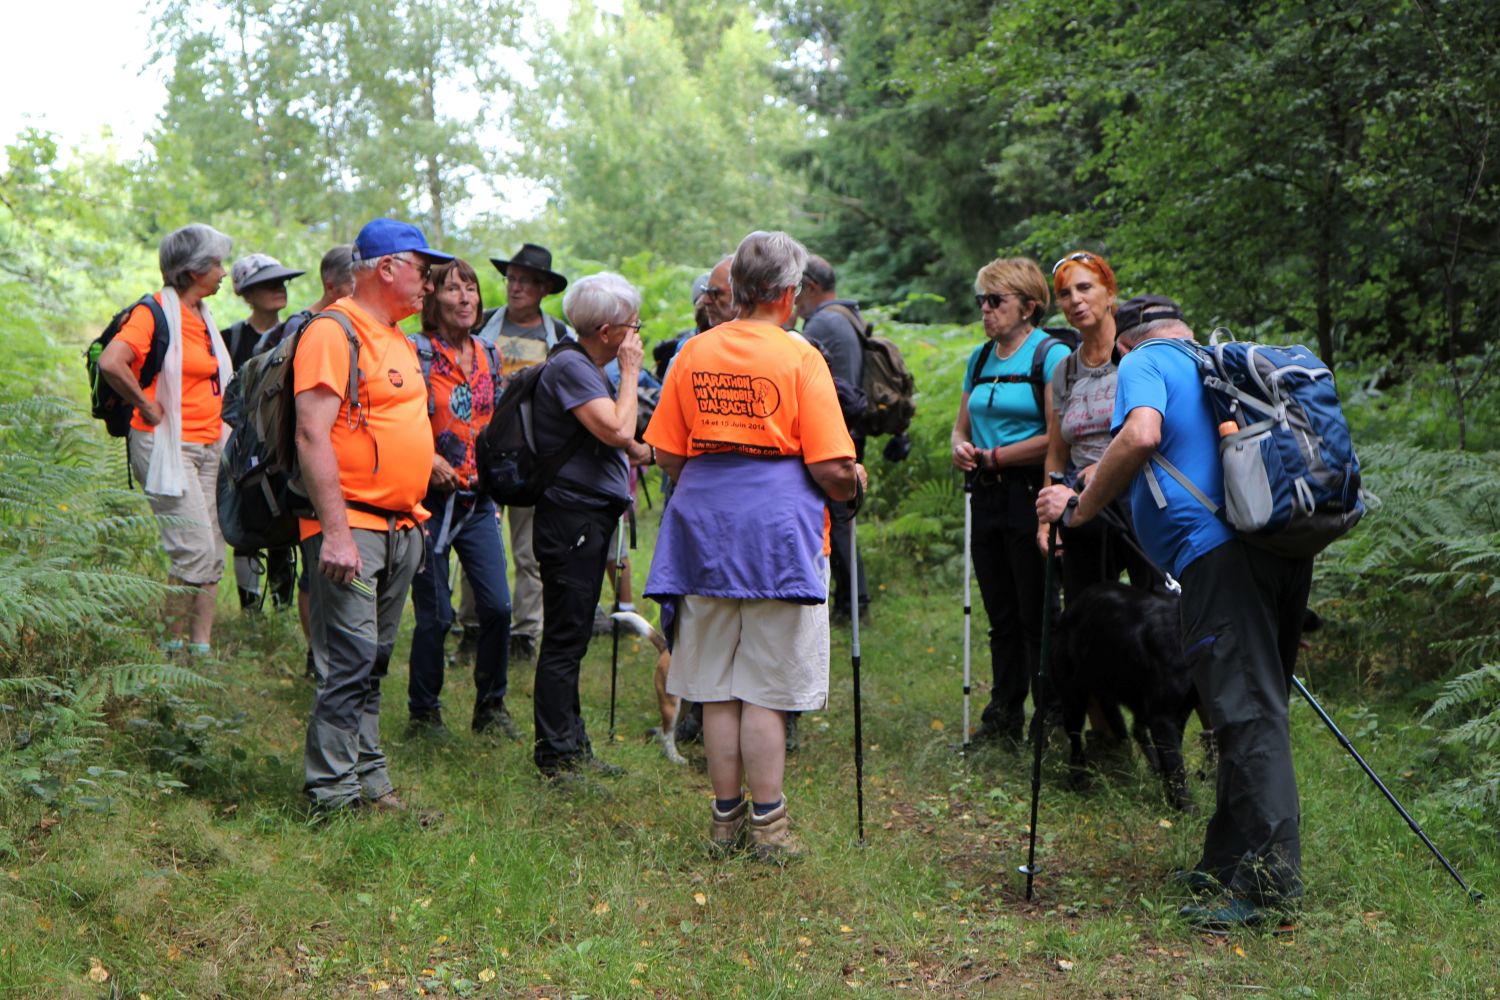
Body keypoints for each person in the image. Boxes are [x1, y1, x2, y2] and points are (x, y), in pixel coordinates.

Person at [1037, 295, 1313, 929]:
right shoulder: (1219, 362)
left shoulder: (1146, 360)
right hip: (1278, 547)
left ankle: (1269, 889)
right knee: (1249, 708)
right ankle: (1226, 862)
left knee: (1247, 716)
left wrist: (1078, 509)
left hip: (1220, 559)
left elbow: (1141, 435)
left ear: (1126, 343)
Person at [644, 231, 864, 859]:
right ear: (789, 293)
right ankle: (769, 827)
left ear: (736, 288)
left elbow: (666, 454)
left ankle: (724, 821)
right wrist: (855, 480)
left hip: (703, 532)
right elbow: (828, 465)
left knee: (716, 685)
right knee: (766, 686)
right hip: (778, 537)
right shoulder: (801, 356)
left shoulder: (692, 352)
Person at [295, 217, 450, 813]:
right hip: (351, 527)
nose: (429, 285)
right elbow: (312, 434)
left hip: (400, 526)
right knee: (350, 659)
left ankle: (371, 781)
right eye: (423, 271)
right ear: (387, 268)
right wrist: (335, 532)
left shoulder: (398, 337)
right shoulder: (333, 331)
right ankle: (332, 793)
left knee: (375, 659)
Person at [530, 271, 652, 783]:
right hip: (570, 520)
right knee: (565, 638)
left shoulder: (585, 366)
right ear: (608, 332)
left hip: (585, 517)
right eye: (634, 327)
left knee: (575, 633)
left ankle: (573, 745)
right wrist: (631, 372)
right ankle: (556, 757)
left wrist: (643, 451)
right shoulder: (573, 368)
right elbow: (619, 428)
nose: (638, 336)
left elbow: (616, 437)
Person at [96, 223, 235, 657]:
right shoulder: (153, 312)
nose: (224, 272)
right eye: (216, 264)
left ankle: (200, 647)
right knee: (193, 548)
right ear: (193, 270)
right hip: (166, 447)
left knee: (212, 548)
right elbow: (111, 362)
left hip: (210, 446)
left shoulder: (203, 316)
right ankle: (172, 647)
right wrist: (145, 403)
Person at [951, 257, 1070, 746]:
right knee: (1000, 611)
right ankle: (1004, 715)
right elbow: (962, 427)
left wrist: (998, 456)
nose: (985, 309)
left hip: (1030, 493)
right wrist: (961, 448)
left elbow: (1058, 439)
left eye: (996, 300)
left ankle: (1053, 716)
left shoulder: (1051, 356)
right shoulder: (980, 359)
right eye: (982, 300)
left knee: (1037, 610)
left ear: (1029, 306)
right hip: (986, 494)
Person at [404, 257, 516, 741]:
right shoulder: (415, 353)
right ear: (432, 299)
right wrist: (428, 457)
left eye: (471, 289)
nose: (465, 298)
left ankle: (491, 707)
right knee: (436, 615)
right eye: (453, 289)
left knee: (498, 607)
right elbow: (397, 419)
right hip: (426, 503)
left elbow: (497, 421)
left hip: (478, 501)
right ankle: (424, 714)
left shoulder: (489, 353)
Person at [475, 243, 573, 666]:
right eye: (511, 279)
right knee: (479, 542)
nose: (515, 288)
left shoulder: (559, 336)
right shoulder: (482, 325)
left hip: (533, 456)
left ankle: (525, 633)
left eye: (526, 281)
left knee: (529, 550)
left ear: (544, 288)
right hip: (485, 449)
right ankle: (474, 627)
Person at [224, 253, 307, 611]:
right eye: (268, 284)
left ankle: (281, 605)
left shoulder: (296, 333)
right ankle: (250, 609)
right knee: (249, 517)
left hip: (282, 445)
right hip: (245, 449)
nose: (279, 289)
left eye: (281, 282)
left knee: (283, 519)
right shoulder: (231, 339)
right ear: (246, 294)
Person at [796, 253, 870, 621]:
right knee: (842, 518)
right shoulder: (848, 315)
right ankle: (851, 600)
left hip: (833, 433)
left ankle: (852, 603)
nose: (793, 300)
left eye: (796, 289)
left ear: (811, 287)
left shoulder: (823, 323)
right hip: (850, 429)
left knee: (837, 520)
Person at [261, 245, 356, 355]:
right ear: (330, 288)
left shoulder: (355, 320)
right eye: (355, 289)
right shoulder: (299, 325)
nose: (362, 295)